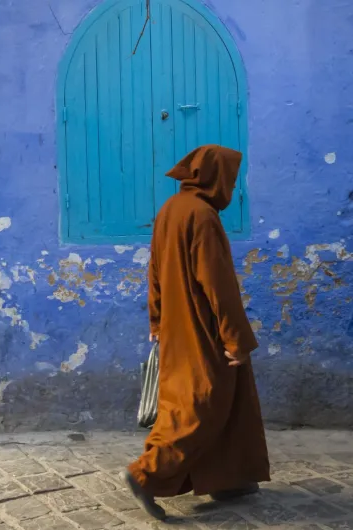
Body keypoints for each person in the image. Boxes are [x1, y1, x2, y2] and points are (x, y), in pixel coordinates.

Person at [120, 145, 271, 520]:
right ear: (214, 178)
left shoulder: (170, 210)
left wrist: (156, 321)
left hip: (174, 326)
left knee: (218, 399)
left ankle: (229, 478)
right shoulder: (203, 216)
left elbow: (154, 270)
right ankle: (146, 473)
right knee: (201, 403)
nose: (233, 190)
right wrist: (235, 339)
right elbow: (218, 286)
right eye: (231, 181)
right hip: (202, 330)